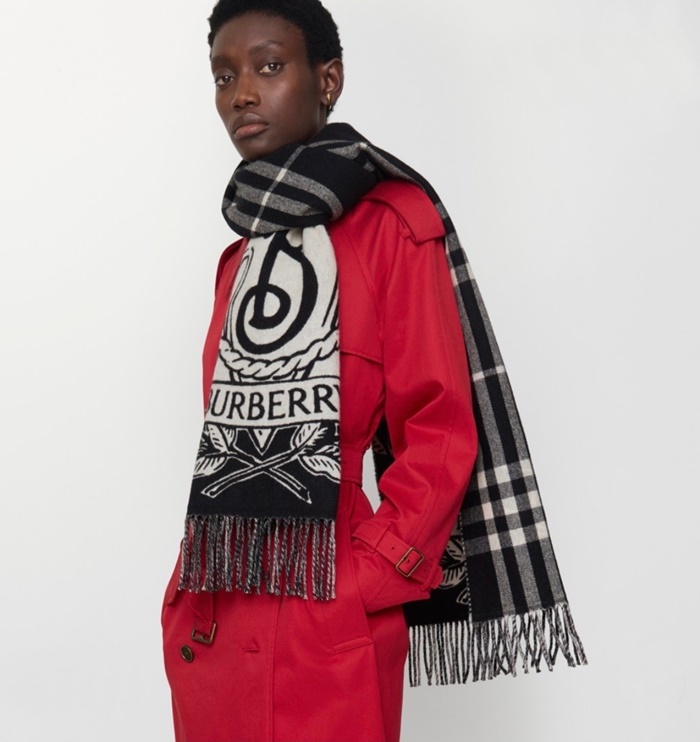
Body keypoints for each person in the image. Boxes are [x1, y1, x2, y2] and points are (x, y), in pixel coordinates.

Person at [161, 1, 586, 741]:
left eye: (268, 66)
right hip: (218, 610)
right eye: (224, 76)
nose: (242, 95)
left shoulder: (394, 228)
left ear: (328, 80)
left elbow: (440, 432)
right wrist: (185, 592)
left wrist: (365, 579)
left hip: (328, 612)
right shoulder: (240, 260)